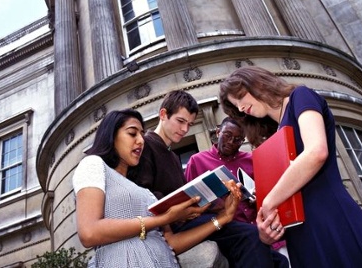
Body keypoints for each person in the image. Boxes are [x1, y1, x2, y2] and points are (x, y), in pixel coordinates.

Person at [219, 66, 362, 267]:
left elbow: (316, 152)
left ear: (258, 82)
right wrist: (268, 231)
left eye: (240, 98)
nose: (241, 108)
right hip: (299, 235)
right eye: (236, 106)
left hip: (331, 217)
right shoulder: (274, 134)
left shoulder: (300, 97)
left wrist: (269, 202)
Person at [129, 90, 287, 267]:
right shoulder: (146, 145)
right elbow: (142, 194)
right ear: (163, 114)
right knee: (251, 236)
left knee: (279, 260)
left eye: (189, 124)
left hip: (190, 219)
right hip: (171, 226)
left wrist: (211, 205)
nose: (184, 129)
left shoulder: (172, 156)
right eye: (180, 121)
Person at [72, 109, 242, 267]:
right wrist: (165, 218)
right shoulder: (94, 164)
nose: (140, 140)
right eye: (132, 133)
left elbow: (171, 243)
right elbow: (89, 232)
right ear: (111, 136)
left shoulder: (145, 192)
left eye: (142, 134)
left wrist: (223, 217)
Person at [185, 116, 289, 267]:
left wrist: (258, 196)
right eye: (227, 136)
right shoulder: (197, 161)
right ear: (218, 132)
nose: (231, 142)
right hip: (235, 240)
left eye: (238, 140)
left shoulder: (253, 159)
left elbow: (271, 191)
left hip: (266, 230)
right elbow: (191, 203)